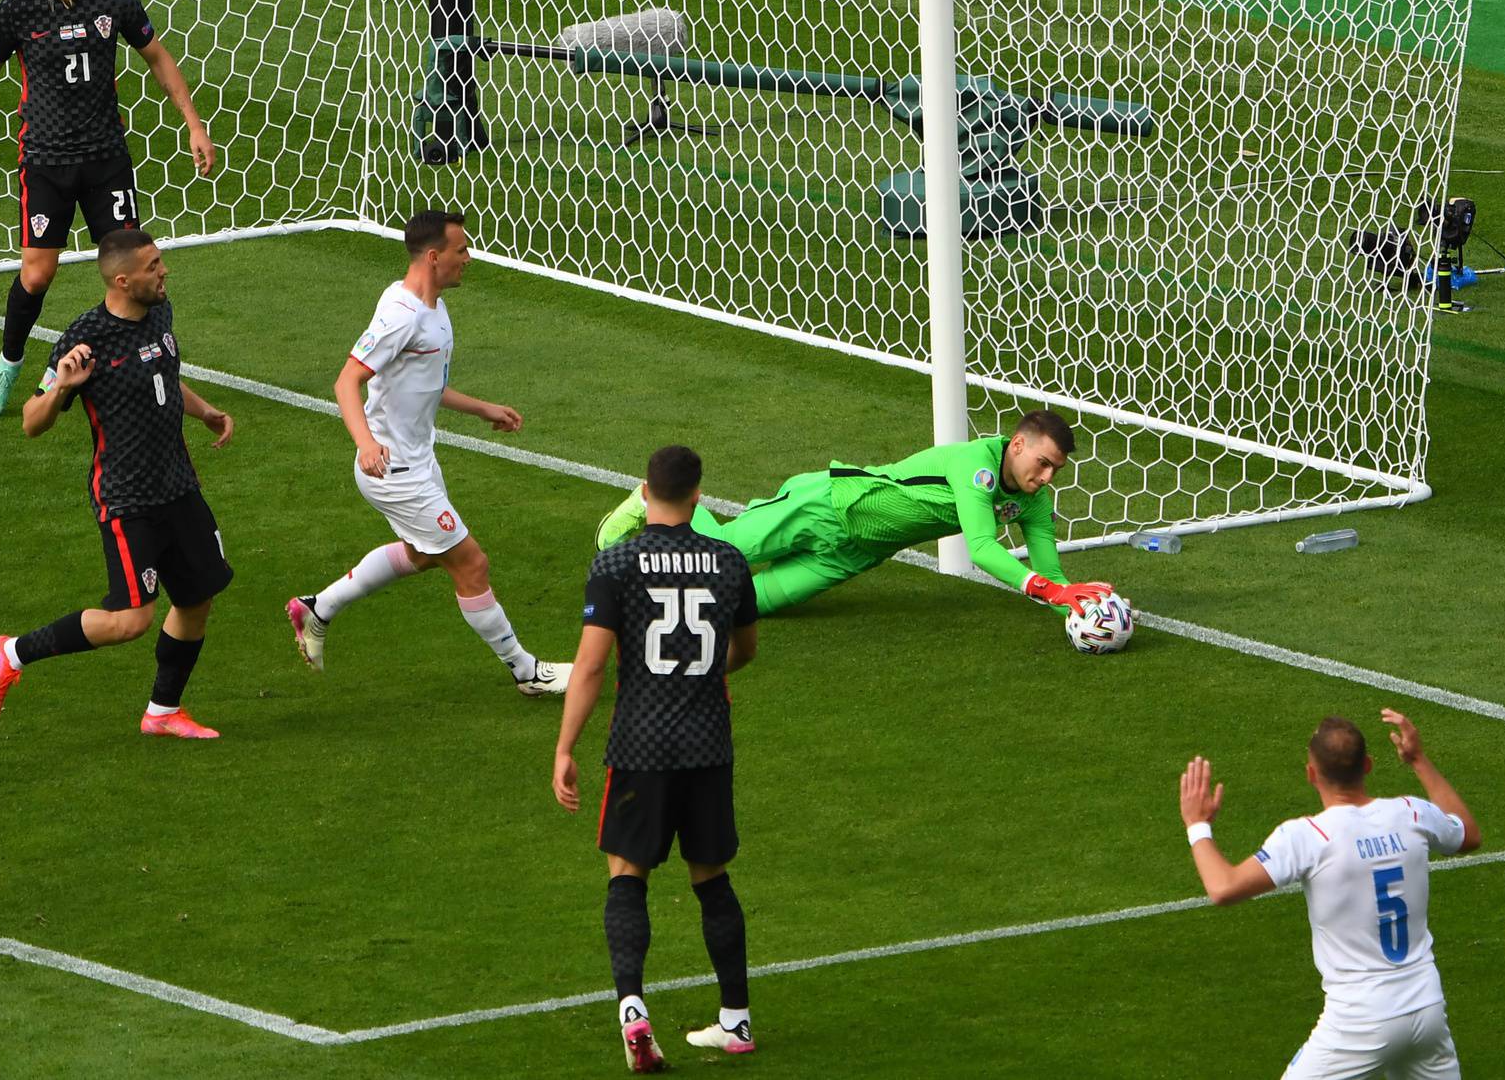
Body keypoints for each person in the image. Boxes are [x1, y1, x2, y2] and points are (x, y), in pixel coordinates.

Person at [285, 211, 570, 695]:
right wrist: (366, 443)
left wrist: (481, 408)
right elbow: (346, 381)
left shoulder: (431, 308)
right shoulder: (403, 314)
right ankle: (526, 671)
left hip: (417, 458)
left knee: (423, 553)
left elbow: (423, 384)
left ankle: (318, 607)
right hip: (392, 469)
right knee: (471, 564)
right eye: (461, 250)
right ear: (434, 256)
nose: (468, 258)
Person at [0, 0, 215, 421]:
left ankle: (157, 367)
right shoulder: (18, 9)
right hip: (46, 161)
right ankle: (9, 363)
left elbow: (158, 57)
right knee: (37, 273)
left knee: (138, 266)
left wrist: (193, 122)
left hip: (105, 159)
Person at [0, 229, 235, 738]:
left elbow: (165, 372)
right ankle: (9, 653)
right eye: (154, 266)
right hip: (127, 498)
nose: (164, 272)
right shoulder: (83, 342)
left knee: (197, 597)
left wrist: (204, 412)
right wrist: (62, 390)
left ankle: (162, 712)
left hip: (179, 485)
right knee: (130, 620)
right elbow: (31, 421)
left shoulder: (159, 311)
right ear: (123, 280)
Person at [556, 445, 761, 1072]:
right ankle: (736, 1020)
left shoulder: (616, 562)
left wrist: (564, 747)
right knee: (712, 878)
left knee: (627, 875)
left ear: (643, 492)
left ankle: (633, 1010)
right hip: (707, 744)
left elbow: (590, 666)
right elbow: (745, 649)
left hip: (640, 745)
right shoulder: (728, 562)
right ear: (698, 495)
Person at [1178, 710, 1482, 1079]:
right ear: (1368, 766)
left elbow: (1223, 888)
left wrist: (1197, 825)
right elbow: (1467, 833)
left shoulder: (1307, 837)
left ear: (1310, 774)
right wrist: (1418, 759)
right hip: (1426, 1008)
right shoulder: (1411, 814)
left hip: (1360, 1022)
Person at [596, 409, 1113, 618]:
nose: (1045, 478)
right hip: (826, 505)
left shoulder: (1034, 499)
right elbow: (980, 548)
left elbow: (1051, 574)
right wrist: (1052, 591)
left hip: (858, 552)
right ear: (1018, 443)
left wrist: (1080, 608)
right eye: (1042, 463)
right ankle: (653, 500)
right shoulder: (974, 465)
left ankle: (674, 516)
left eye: (1054, 471)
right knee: (714, 558)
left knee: (739, 605)